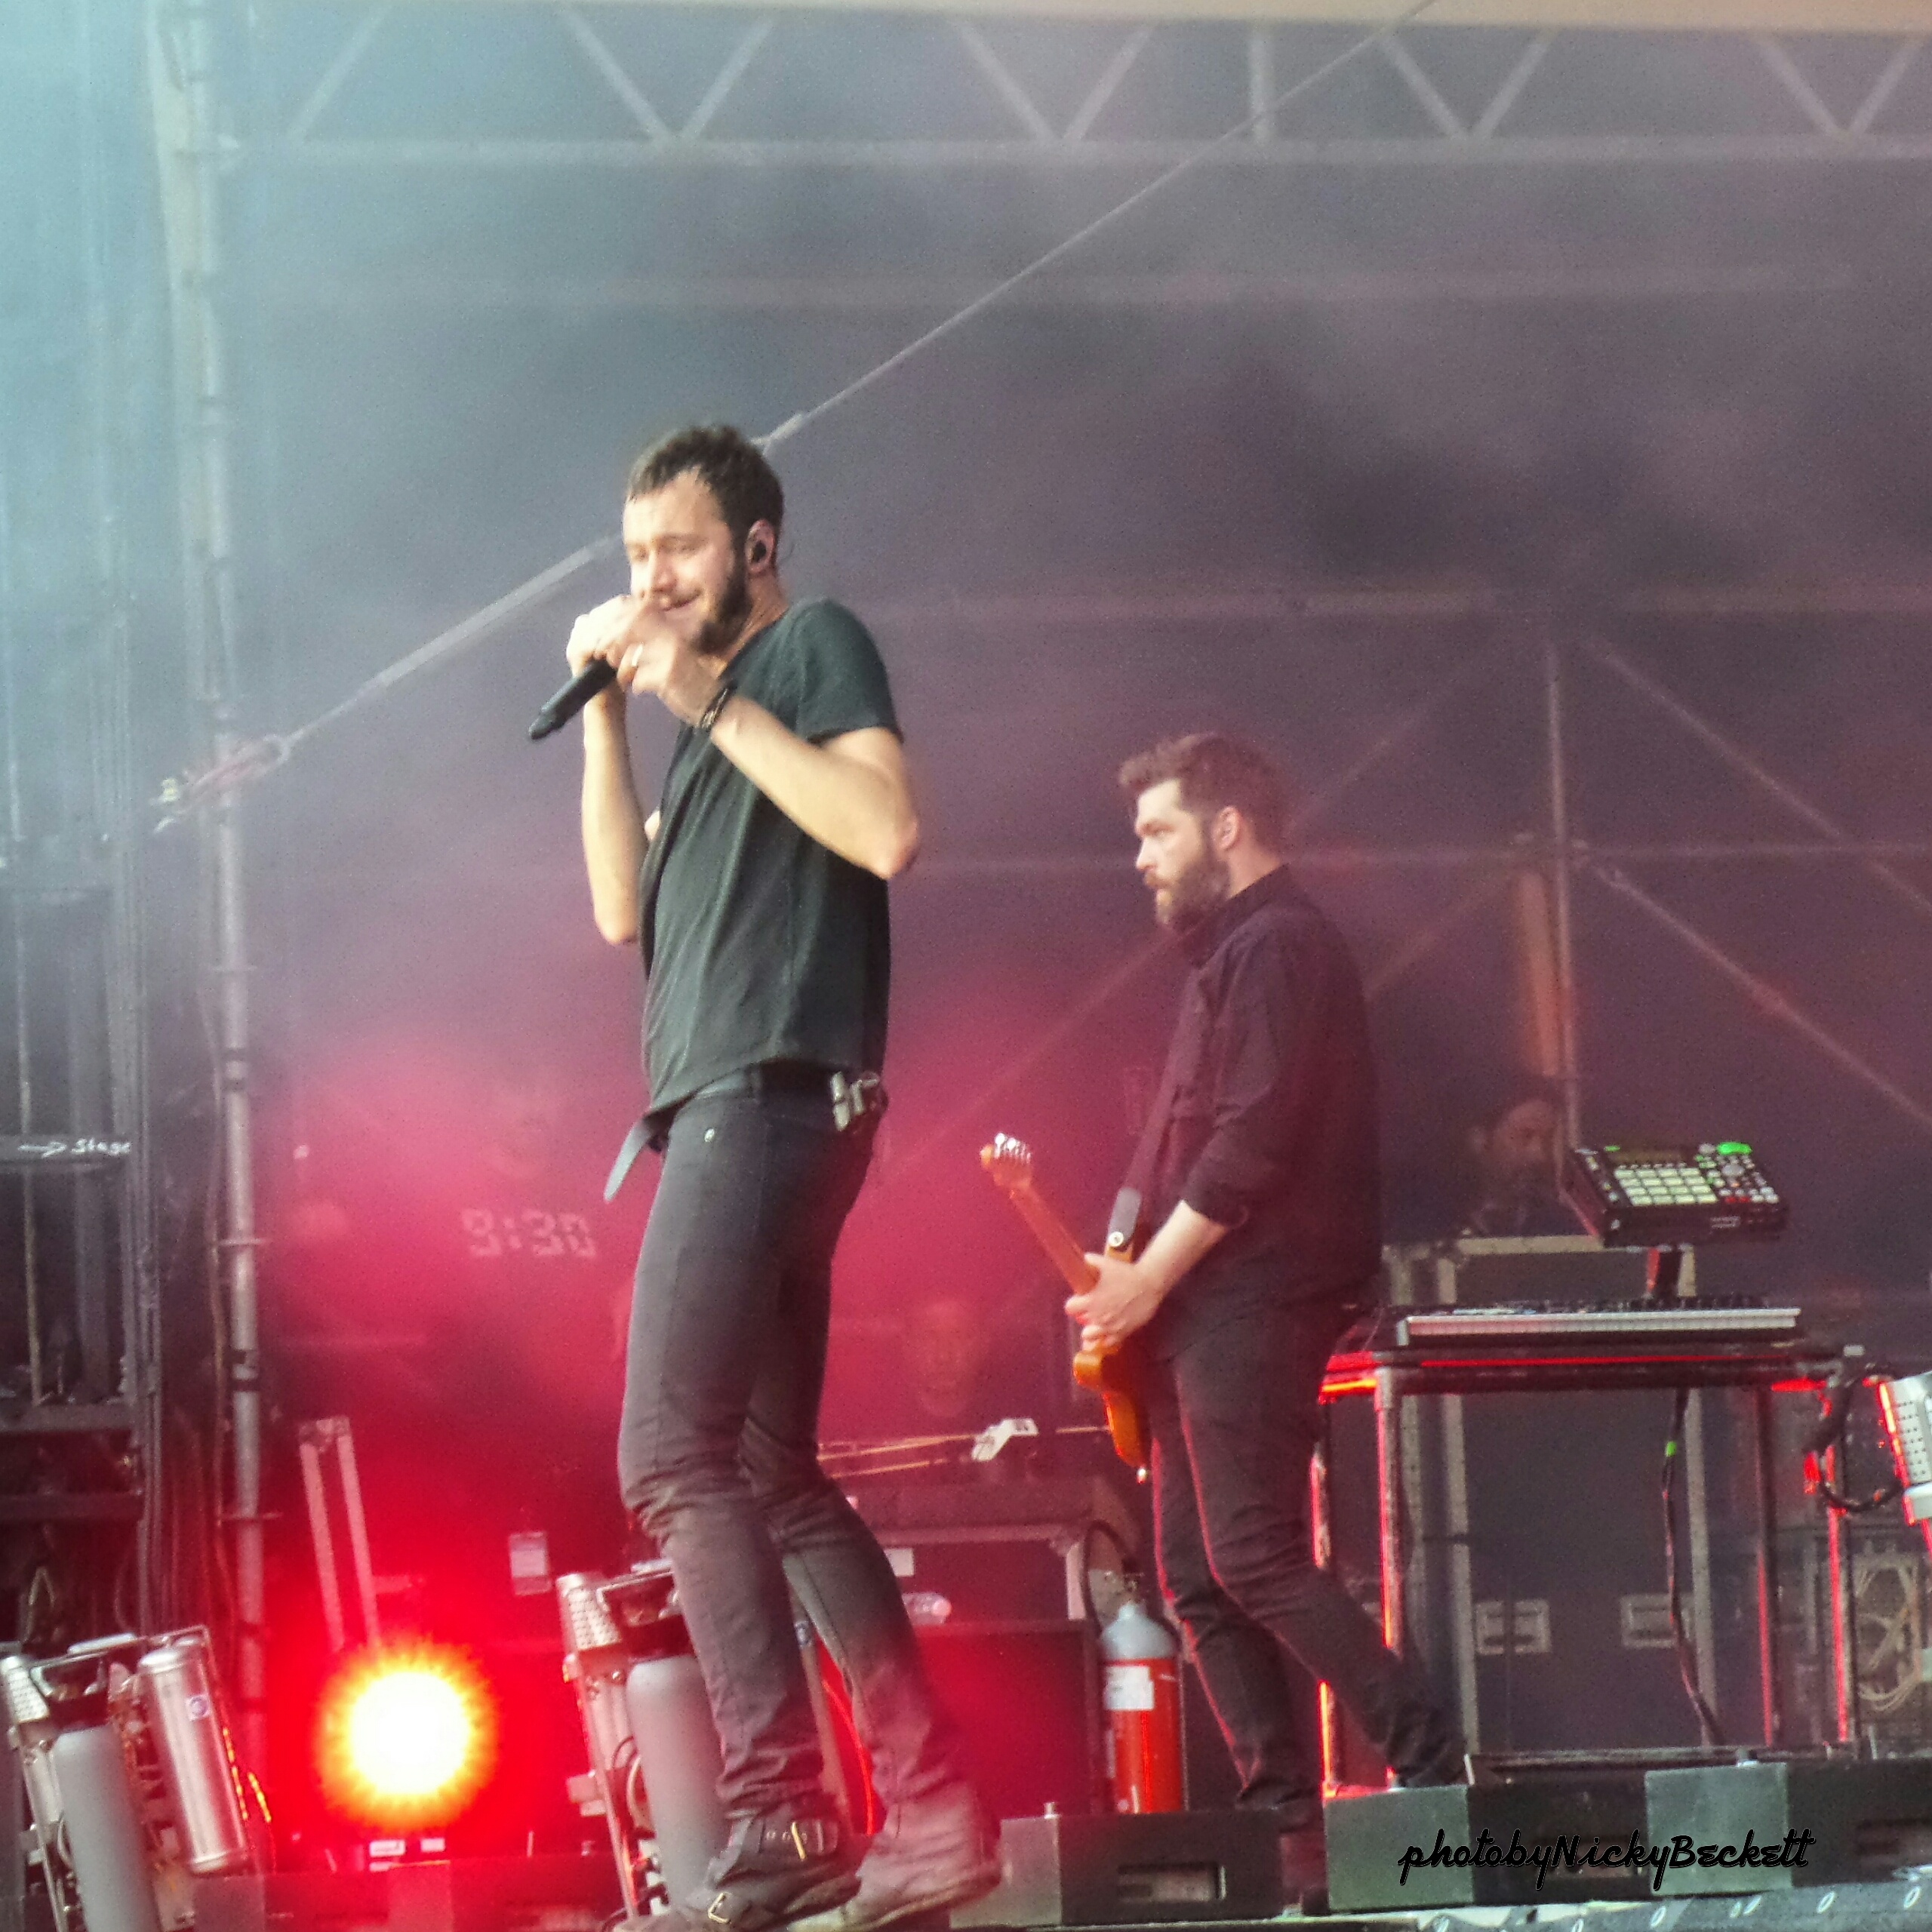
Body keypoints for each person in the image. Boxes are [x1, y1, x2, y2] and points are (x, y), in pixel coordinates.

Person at [566, 426, 995, 1932]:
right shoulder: (705, 725)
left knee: (667, 1457)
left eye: (677, 550)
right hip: (740, 1109)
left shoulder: (810, 648)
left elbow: (886, 826)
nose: (652, 580)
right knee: (765, 1473)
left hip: (764, 1100)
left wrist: (694, 689)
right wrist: (617, 717)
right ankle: (929, 1807)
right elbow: (619, 907)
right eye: (634, 558)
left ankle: (778, 1807)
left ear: (755, 546)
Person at [1065, 732, 1463, 1860]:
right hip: (1200, 1301)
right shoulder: (1227, 958)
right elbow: (1191, 1146)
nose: (1140, 857)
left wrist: (1150, 1276)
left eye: (1159, 831)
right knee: (1195, 1576)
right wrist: (1132, 1275)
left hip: (1259, 1290)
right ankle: (1281, 1826)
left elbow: (1253, 1142)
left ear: (1226, 828)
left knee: (1252, 1553)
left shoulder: (1283, 945)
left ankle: (1433, 1761)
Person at [1456, 1076, 1577, 1238]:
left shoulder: (1568, 1229)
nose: (1539, 1155)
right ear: (1478, 1139)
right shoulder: (1436, 1221)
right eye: (1525, 1136)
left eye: (1547, 1141)